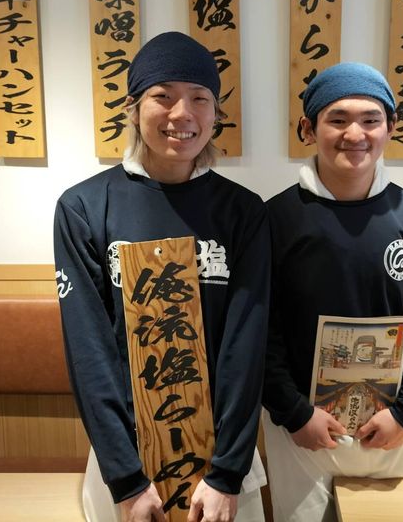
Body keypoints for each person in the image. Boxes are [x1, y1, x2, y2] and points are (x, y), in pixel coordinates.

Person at [54, 31, 269, 522]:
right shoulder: (84, 208)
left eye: (199, 98)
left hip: (221, 460)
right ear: (132, 108)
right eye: (163, 96)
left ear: (215, 113)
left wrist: (227, 473)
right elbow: (89, 352)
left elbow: (246, 347)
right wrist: (126, 479)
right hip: (126, 463)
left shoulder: (243, 212)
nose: (181, 113)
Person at [262, 62, 403, 522]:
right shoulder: (274, 219)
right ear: (308, 128)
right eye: (338, 119)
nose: (355, 134)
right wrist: (294, 413)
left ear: (391, 127)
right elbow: (259, 327)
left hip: (389, 425)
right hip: (301, 428)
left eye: (370, 120)